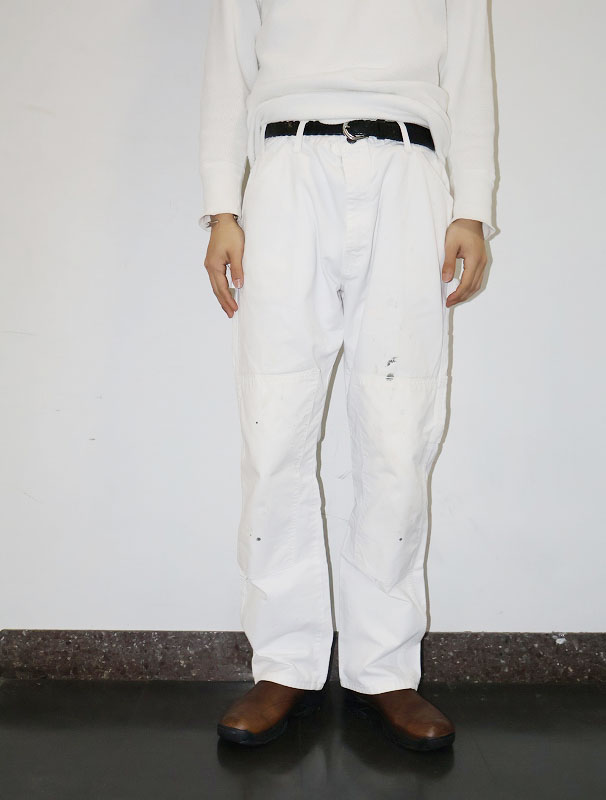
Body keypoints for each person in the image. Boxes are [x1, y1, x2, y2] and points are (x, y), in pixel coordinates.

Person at [199, 0, 497, 750]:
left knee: (399, 434)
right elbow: (227, 68)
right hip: (286, 172)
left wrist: (472, 208)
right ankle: (284, 662)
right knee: (274, 430)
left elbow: (470, 73)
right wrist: (221, 207)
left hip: (410, 171)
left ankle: (385, 667)